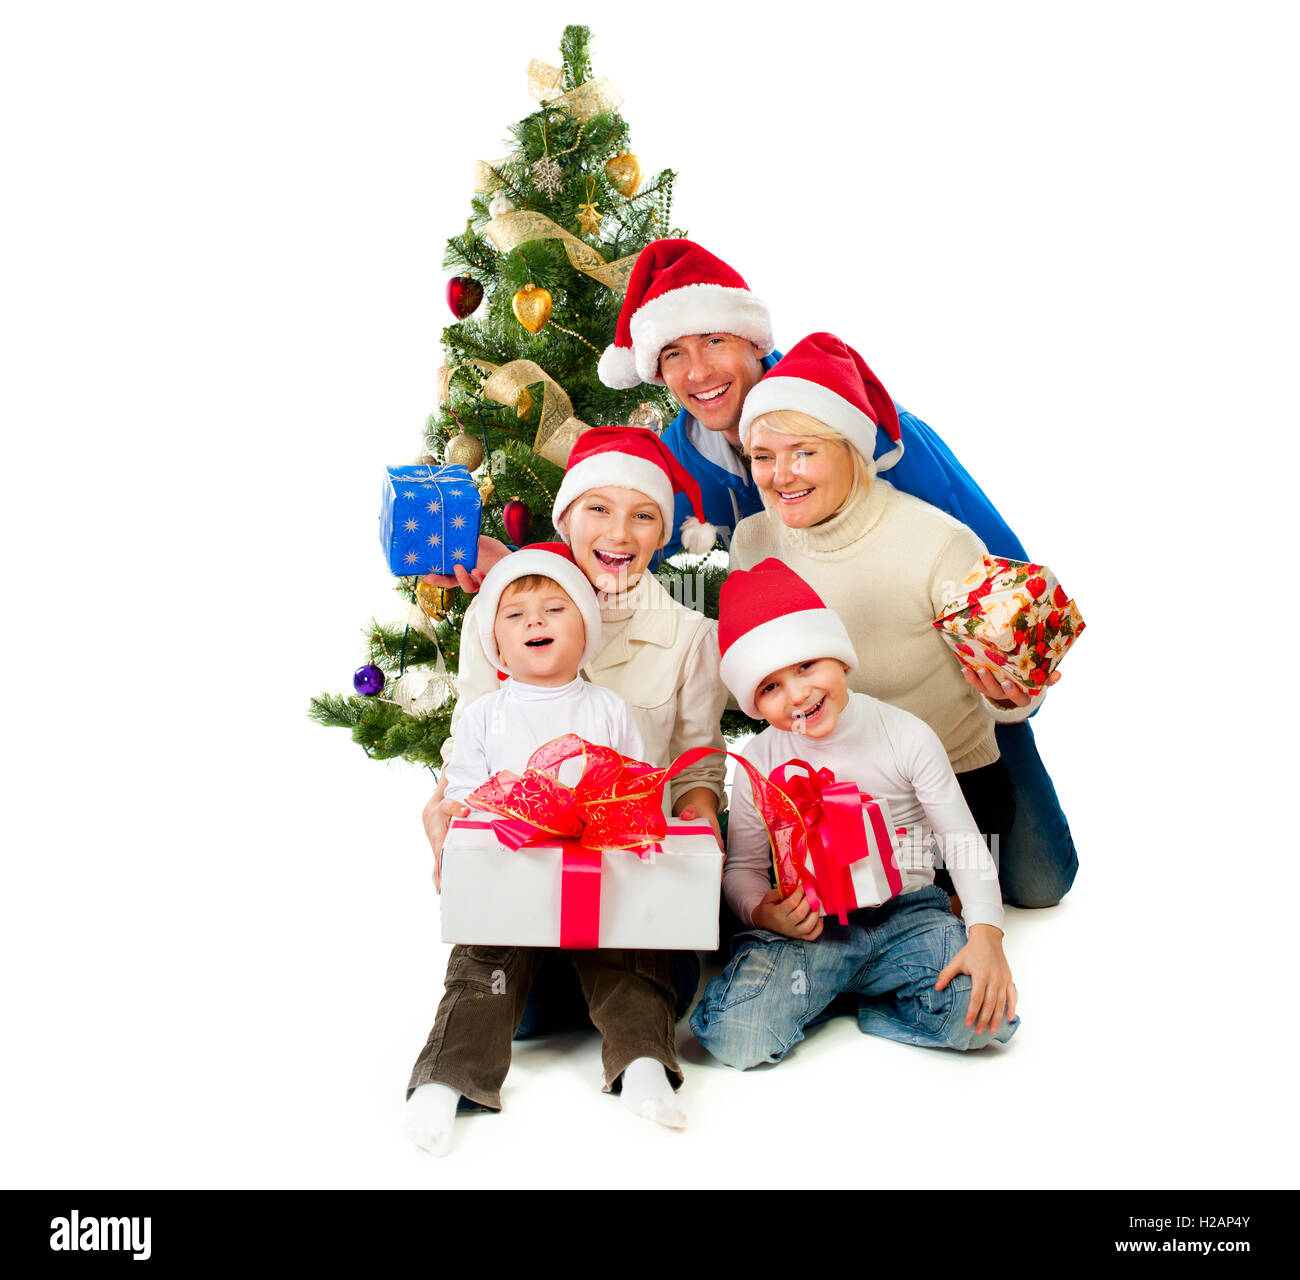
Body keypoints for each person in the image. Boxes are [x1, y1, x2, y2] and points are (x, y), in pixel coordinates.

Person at [729, 333, 1077, 907]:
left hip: (951, 766)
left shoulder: (938, 542)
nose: (780, 475)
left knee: (1037, 888)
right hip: (834, 778)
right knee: (869, 912)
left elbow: (1003, 676)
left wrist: (1012, 697)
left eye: (804, 452)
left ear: (851, 451)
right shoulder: (754, 542)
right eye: (763, 457)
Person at [420, 427, 729, 1024]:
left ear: (663, 534)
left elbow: (701, 760)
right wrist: (443, 809)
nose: (618, 533)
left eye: (643, 515)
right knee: (528, 1007)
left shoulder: (690, 637)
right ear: (565, 519)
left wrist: (697, 820)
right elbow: (470, 740)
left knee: (662, 982)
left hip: (628, 879)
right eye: (598, 509)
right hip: (524, 873)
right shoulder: (499, 618)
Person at [404, 543, 688, 1155]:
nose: (535, 621)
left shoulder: (607, 707)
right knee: (483, 968)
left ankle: (641, 1063)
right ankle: (445, 1080)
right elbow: (463, 801)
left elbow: (637, 791)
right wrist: (454, 847)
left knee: (632, 956)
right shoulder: (484, 716)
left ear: (584, 631)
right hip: (514, 878)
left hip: (595, 874)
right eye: (515, 614)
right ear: (495, 645)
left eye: (555, 608)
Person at [690, 559, 1019, 1067]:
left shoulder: (904, 734)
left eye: (806, 666)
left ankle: (862, 1000)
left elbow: (961, 841)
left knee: (985, 1020)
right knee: (738, 1036)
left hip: (908, 919)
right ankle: (823, 985)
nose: (798, 694)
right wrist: (763, 912)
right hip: (816, 930)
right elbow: (744, 871)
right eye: (770, 687)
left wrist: (986, 935)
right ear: (754, 704)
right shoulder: (758, 760)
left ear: (841, 659)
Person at [597, 237, 1026, 563]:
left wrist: (1012, 656)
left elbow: (998, 559)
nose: (698, 372)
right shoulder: (680, 461)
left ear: (755, 342)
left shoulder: (857, 418)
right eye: (674, 353)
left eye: (714, 341)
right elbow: (618, 554)